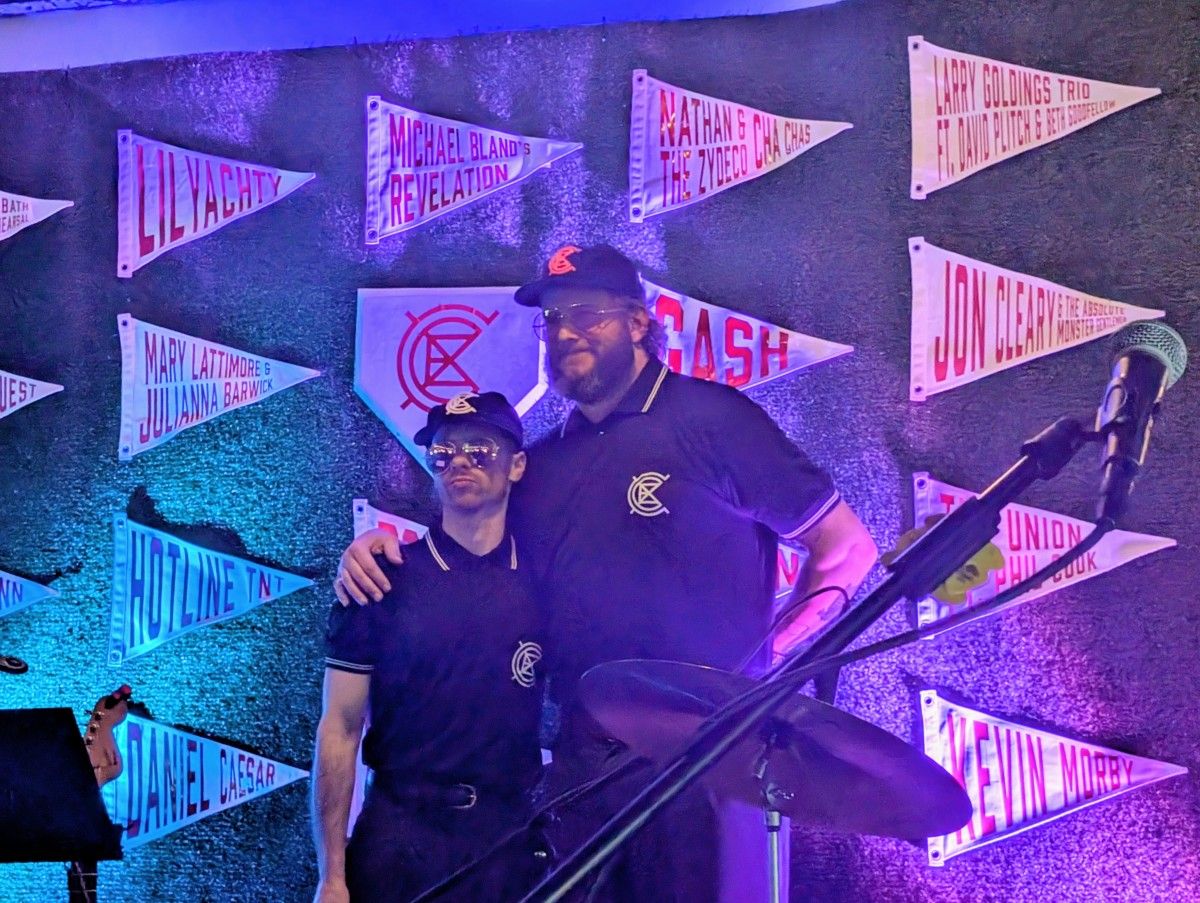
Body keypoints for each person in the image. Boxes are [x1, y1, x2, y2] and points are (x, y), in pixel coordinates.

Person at [335, 244, 879, 902]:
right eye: (553, 319)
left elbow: (846, 549)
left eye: (586, 314)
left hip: (708, 759)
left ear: (638, 322)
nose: (565, 332)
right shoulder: (543, 465)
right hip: (584, 765)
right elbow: (464, 545)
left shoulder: (713, 419)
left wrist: (760, 672)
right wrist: (376, 550)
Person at [312, 392, 547, 903]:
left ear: (517, 465)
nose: (459, 461)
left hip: (506, 840)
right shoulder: (380, 579)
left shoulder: (545, 582)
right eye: (443, 452)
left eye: (480, 449)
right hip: (400, 836)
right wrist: (331, 876)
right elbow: (340, 727)